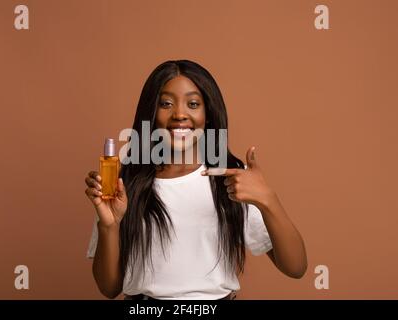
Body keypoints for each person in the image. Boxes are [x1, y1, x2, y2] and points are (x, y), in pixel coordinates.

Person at [84, 60, 307, 300]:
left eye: (193, 104)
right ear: (151, 113)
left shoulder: (233, 178)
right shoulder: (123, 182)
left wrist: (267, 199)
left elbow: (295, 267)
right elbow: (109, 288)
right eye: (166, 104)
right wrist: (109, 225)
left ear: (208, 113)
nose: (180, 114)